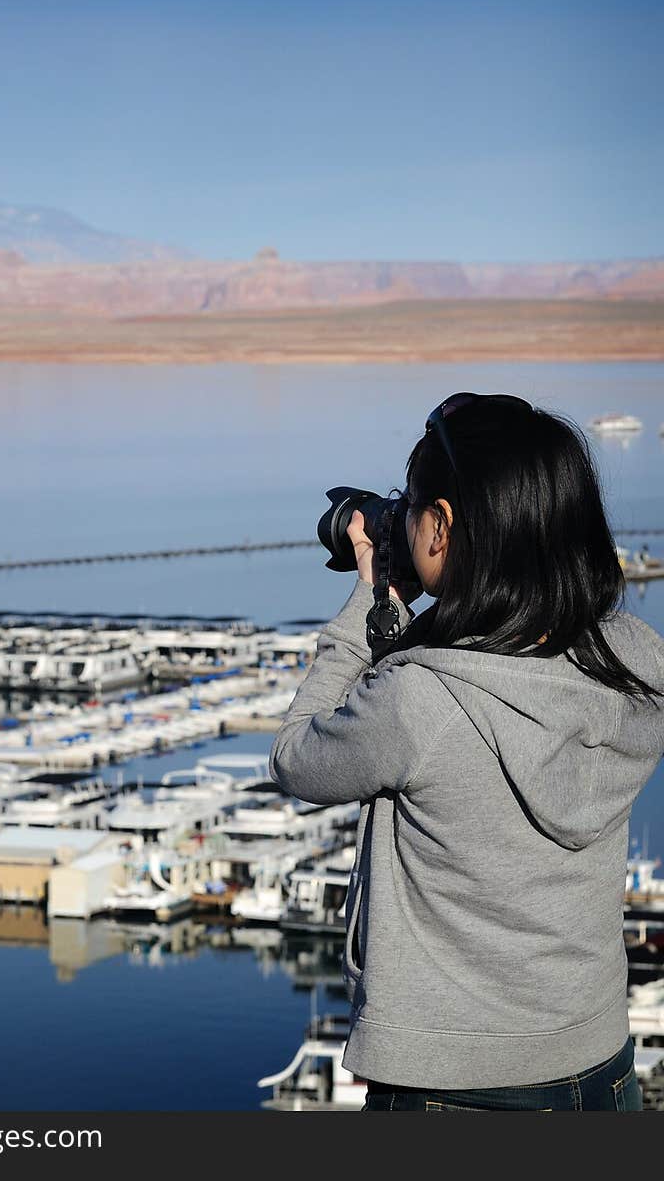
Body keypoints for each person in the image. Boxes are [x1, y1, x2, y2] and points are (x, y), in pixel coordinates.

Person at [268, 393, 664, 1112]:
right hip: (600, 1072)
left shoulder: (420, 703)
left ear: (442, 527)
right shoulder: (634, 664)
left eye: (413, 506)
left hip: (449, 1087)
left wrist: (372, 602)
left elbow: (297, 755)